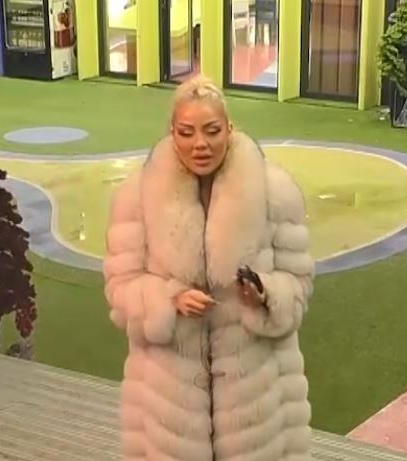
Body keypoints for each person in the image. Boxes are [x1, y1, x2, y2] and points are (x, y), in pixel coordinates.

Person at [103, 74, 315, 461]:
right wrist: (168, 298)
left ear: (230, 129)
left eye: (212, 130)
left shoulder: (276, 193)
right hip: (168, 411)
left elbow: (299, 283)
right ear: (172, 133)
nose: (200, 144)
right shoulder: (136, 196)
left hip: (258, 408)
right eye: (186, 133)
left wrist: (266, 295)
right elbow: (120, 288)